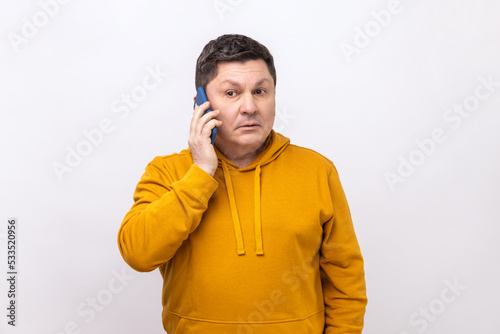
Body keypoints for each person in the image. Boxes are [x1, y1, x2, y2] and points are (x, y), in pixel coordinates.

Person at [117, 34, 367, 334]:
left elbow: (346, 278)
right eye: (232, 93)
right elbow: (137, 253)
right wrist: (201, 172)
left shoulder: (317, 170)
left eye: (260, 91)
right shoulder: (168, 171)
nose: (250, 107)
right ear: (201, 104)